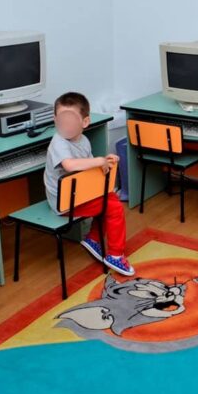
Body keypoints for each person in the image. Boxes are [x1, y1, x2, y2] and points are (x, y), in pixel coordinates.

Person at [43, 92, 135, 276]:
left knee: (109, 198)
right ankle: (116, 255)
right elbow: (69, 165)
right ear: (55, 120)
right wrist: (98, 161)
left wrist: (105, 162)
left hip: (80, 193)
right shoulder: (58, 142)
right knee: (114, 207)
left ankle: (93, 238)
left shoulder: (83, 141)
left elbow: (89, 168)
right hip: (64, 202)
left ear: (84, 122)